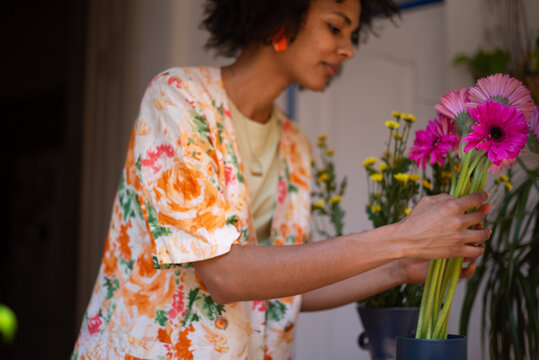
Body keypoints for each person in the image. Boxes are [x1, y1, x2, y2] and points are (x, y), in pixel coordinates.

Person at [72, 0, 492, 359]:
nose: (347, 49)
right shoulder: (178, 98)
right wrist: (403, 236)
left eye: (351, 34)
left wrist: (400, 268)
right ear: (280, 13)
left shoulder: (295, 147)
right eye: (334, 27)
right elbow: (226, 276)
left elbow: (286, 290)